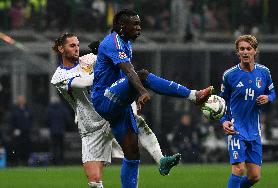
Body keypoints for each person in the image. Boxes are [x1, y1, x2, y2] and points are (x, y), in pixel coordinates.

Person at [91, 9, 213, 188]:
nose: (139, 28)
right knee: (143, 75)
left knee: (132, 154)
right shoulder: (115, 42)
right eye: (135, 24)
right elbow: (129, 72)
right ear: (122, 26)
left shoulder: (124, 42)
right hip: (104, 99)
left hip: (118, 103)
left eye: (140, 23)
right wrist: (141, 91)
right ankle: (194, 96)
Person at [51, 33, 181, 188]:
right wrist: (101, 62)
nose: (77, 49)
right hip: (91, 126)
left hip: (111, 111)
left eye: (78, 45)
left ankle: (161, 160)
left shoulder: (88, 59)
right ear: (61, 48)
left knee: (137, 129)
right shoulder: (59, 76)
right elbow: (85, 82)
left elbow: (118, 65)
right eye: (72, 46)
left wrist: (104, 53)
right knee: (94, 181)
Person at [220, 35, 276, 188]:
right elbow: (221, 102)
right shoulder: (230, 75)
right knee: (239, 169)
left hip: (254, 130)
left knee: (254, 176)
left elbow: (273, 93)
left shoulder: (264, 72)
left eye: (248, 49)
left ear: (255, 51)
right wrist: (224, 120)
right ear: (237, 53)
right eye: (241, 49)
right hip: (236, 128)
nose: (245, 52)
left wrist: (268, 98)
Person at [46, 96, 72, 165]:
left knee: (54, 147)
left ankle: (54, 161)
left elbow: (46, 120)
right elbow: (68, 120)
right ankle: (61, 161)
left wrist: (50, 126)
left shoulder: (49, 109)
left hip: (53, 131)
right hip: (61, 131)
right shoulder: (63, 109)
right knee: (61, 147)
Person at [9, 95, 33, 165]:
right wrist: (14, 129)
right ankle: (17, 161)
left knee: (27, 147)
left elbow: (32, 119)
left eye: (22, 99)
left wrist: (29, 127)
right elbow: (12, 121)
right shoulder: (14, 109)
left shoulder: (28, 109)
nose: (21, 101)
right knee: (17, 147)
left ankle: (26, 161)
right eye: (20, 100)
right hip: (18, 132)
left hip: (26, 132)